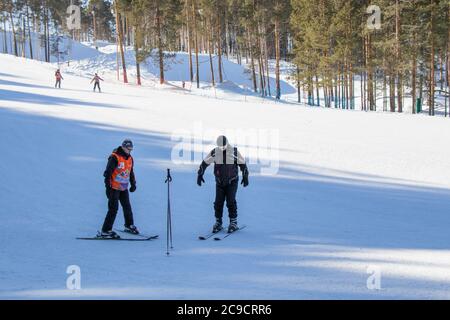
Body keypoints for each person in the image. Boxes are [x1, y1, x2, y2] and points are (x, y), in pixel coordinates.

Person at [197, 136, 249, 233]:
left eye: (224, 146)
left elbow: (243, 164)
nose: (222, 148)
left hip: (232, 182)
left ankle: (233, 223)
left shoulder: (234, 152)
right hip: (219, 182)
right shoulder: (215, 152)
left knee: (230, 201)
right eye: (220, 146)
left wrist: (245, 176)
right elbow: (204, 163)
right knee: (218, 203)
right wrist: (200, 174)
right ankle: (218, 222)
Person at [100, 139, 139, 238]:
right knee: (113, 209)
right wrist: (107, 187)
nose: (129, 151)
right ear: (123, 147)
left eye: (131, 149)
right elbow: (108, 173)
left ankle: (129, 225)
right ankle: (106, 230)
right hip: (113, 187)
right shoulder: (115, 157)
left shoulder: (130, 158)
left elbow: (130, 172)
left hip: (123, 187)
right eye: (128, 148)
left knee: (127, 207)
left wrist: (133, 184)